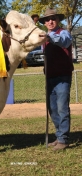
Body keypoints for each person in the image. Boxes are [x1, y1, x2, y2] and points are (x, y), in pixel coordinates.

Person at [39, 8, 74, 151]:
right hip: (50, 77)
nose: (50, 21)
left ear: (58, 20)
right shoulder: (43, 38)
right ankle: (59, 136)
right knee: (52, 109)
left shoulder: (64, 33)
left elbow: (64, 42)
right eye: (47, 19)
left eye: (53, 19)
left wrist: (50, 38)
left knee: (62, 108)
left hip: (62, 76)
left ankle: (63, 139)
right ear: (45, 23)